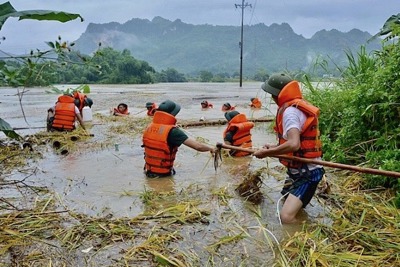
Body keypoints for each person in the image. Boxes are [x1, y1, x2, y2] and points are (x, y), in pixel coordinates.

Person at [253, 73, 324, 224]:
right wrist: (273, 147)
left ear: (276, 95)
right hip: (297, 169)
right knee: (288, 202)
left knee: (286, 217)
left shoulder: (290, 112)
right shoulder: (293, 107)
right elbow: (294, 144)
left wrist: (266, 153)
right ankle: (303, 224)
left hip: (308, 172)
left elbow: (294, 144)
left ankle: (306, 240)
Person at [142, 100, 216, 177]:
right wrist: (211, 149)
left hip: (148, 171)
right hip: (162, 175)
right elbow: (198, 146)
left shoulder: (149, 126)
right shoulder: (173, 132)